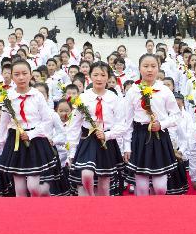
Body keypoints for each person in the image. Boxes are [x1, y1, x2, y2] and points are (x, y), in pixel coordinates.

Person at [0, 60, 57, 197]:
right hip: (15, 141)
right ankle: (22, 216)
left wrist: (32, 134)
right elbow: (4, 123)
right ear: (11, 77)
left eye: (24, 73)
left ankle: (43, 193)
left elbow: (47, 120)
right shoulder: (8, 98)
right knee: (19, 188)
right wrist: (0, 144)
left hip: (35, 141)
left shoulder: (37, 96)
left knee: (33, 187)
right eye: (17, 74)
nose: (21, 77)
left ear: (30, 75)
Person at [66, 61, 127, 196]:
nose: (99, 78)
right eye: (96, 75)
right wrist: (72, 150)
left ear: (108, 77)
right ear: (90, 76)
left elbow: (122, 125)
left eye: (103, 75)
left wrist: (108, 135)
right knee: (86, 174)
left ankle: (101, 210)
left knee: (104, 183)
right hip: (88, 140)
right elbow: (74, 126)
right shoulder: (83, 97)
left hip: (106, 140)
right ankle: (91, 197)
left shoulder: (114, 98)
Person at [123, 53, 179, 196]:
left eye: (153, 66)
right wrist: (127, 147)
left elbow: (176, 115)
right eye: (146, 66)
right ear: (139, 69)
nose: (149, 70)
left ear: (158, 68)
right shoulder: (133, 91)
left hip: (159, 136)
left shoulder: (165, 90)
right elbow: (127, 122)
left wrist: (162, 124)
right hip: (140, 137)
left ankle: (158, 213)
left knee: (160, 187)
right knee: (141, 187)